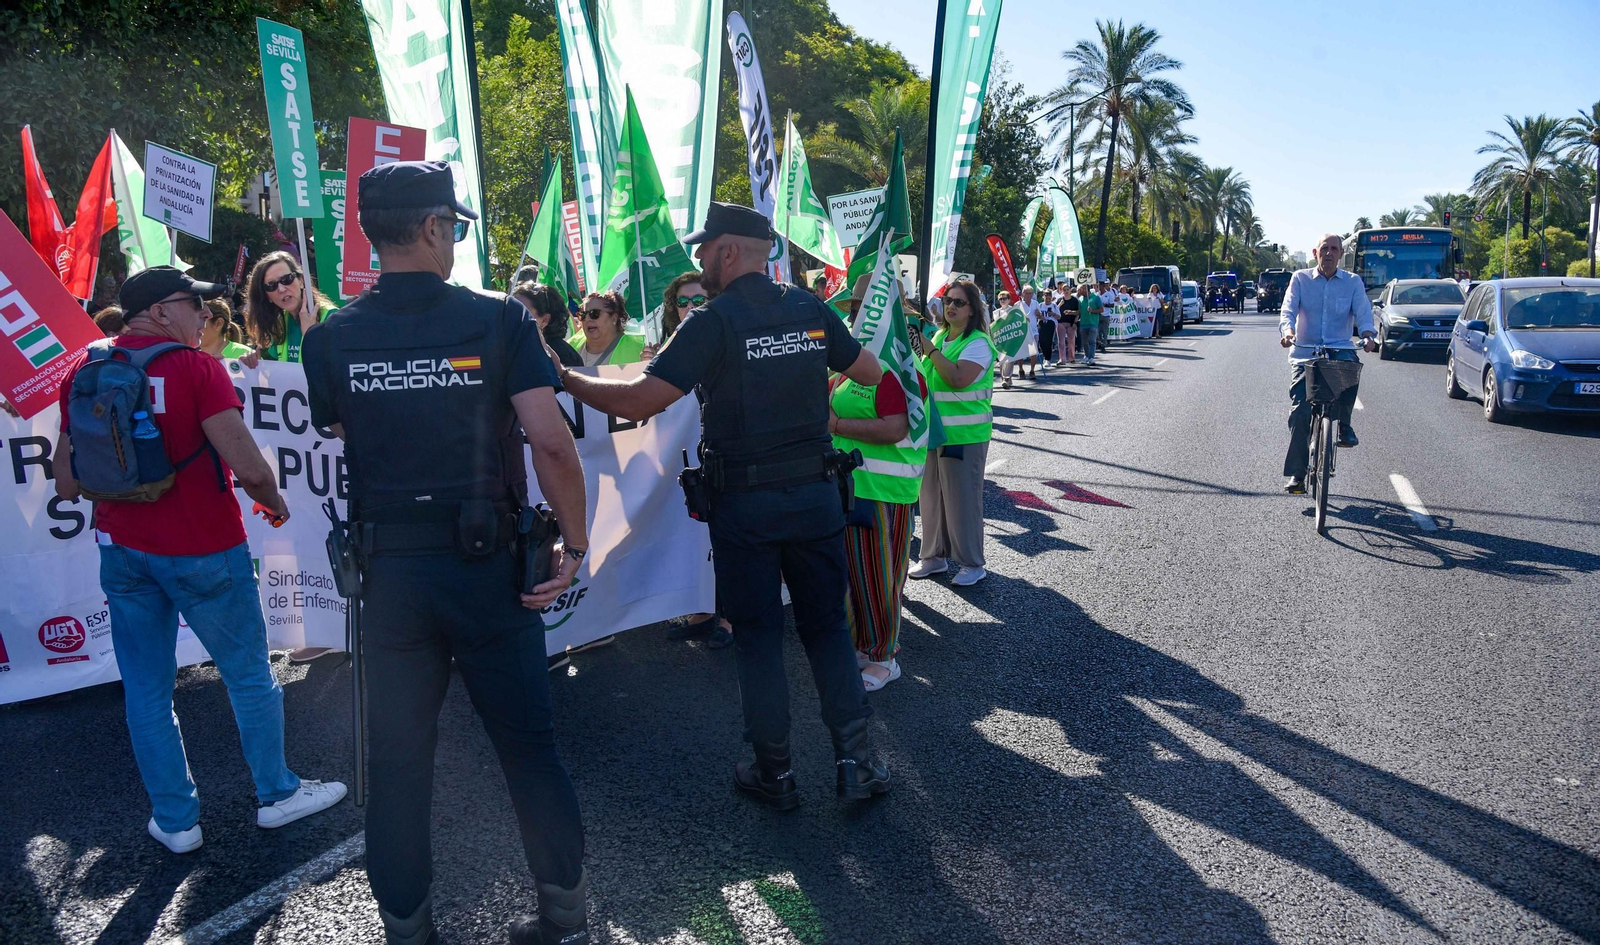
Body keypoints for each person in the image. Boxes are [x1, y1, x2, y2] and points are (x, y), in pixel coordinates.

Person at [301, 161, 592, 945]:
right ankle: (564, 914)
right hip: (487, 567)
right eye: (455, 226)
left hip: (390, 575)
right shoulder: (500, 320)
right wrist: (574, 542)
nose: (456, 239)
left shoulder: (329, 337)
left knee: (397, 763)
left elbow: (342, 427)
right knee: (528, 748)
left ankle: (408, 929)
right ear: (433, 227)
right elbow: (551, 442)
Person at [553, 201, 891, 810]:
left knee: (758, 636)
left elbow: (639, 402)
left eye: (705, 248)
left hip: (746, 507)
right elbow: (869, 371)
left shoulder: (712, 321)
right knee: (826, 629)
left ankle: (774, 771)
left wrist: (566, 378)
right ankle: (857, 765)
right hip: (815, 497)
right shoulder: (809, 308)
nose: (700, 258)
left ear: (729, 251)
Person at [52, 266, 346, 856]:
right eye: (195, 304)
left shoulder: (83, 368)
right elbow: (251, 468)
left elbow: (65, 481)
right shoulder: (196, 368)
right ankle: (278, 793)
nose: (207, 315)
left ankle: (175, 820)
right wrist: (276, 505)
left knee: (146, 692)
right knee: (249, 675)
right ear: (160, 312)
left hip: (123, 551)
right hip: (204, 549)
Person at [830, 314, 927, 692]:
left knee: (878, 577)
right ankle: (861, 646)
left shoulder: (895, 366)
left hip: (884, 491)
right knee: (851, 575)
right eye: (854, 308)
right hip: (849, 487)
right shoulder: (851, 363)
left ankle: (883, 656)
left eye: (863, 307)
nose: (856, 316)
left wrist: (836, 425)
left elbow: (895, 427)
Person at [659, 270, 734, 650]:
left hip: (726, 456)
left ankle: (730, 618)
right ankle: (701, 612)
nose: (689, 307)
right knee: (692, 537)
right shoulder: (665, 348)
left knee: (728, 539)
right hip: (685, 461)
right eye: (682, 301)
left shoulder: (726, 337)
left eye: (697, 300)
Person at [909, 278, 994, 587]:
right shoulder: (941, 336)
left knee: (962, 502)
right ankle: (933, 557)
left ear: (972, 310)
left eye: (959, 302)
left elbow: (958, 378)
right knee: (930, 498)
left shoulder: (979, 343)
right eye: (948, 301)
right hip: (932, 433)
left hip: (964, 437)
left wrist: (930, 350)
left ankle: (972, 563)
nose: (951, 306)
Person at [1279, 232, 1378, 494]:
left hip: (1339, 349)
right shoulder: (1300, 279)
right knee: (1300, 411)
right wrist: (1288, 332)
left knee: (1351, 366)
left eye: (1334, 249)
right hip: (1306, 353)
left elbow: (1363, 313)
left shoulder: (1352, 282)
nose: (1329, 253)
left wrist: (1368, 335)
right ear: (1315, 253)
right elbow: (1288, 309)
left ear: (1341, 254)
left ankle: (1344, 426)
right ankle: (1297, 474)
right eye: (1324, 248)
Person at [244, 250, 337, 363]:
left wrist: (311, 335)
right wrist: (255, 362)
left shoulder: (331, 317)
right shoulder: (279, 323)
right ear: (267, 296)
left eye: (286, 279)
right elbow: (276, 369)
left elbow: (340, 368)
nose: (281, 289)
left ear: (301, 281)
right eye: (271, 285)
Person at [512, 281, 582, 368]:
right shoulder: (509, 348)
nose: (512, 316)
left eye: (521, 312)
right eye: (511, 310)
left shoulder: (564, 357)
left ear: (544, 320)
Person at [575, 291, 646, 366]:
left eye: (594, 313)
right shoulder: (571, 347)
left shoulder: (640, 351)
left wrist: (648, 363)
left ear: (614, 318)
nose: (587, 319)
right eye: (583, 315)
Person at [199, 299, 260, 364]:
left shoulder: (245, 355)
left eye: (201, 319)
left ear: (218, 324)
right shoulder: (194, 357)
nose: (194, 325)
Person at [1078, 283, 1103, 365]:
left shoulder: (1095, 297)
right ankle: (1086, 356)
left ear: (1086, 289)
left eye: (1081, 289)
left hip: (1093, 323)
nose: (1079, 290)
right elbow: (1079, 311)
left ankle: (1091, 358)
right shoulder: (1080, 299)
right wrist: (1071, 312)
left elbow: (1101, 309)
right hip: (1083, 323)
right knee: (1084, 342)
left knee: (1092, 341)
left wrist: (1093, 311)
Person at [1057, 287, 1079, 365]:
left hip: (1071, 323)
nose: (1066, 291)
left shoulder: (1074, 300)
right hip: (1061, 322)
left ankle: (1071, 358)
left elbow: (1078, 312)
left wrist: (1075, 323)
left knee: (1071, 341)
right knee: (1061, 342)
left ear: (1070, 291)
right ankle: (1062, 359)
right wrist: (1060, 304)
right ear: (1062, 291)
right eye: (1064, 290)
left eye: (1067, 289)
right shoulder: (1060, 300)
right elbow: (1055, 310)